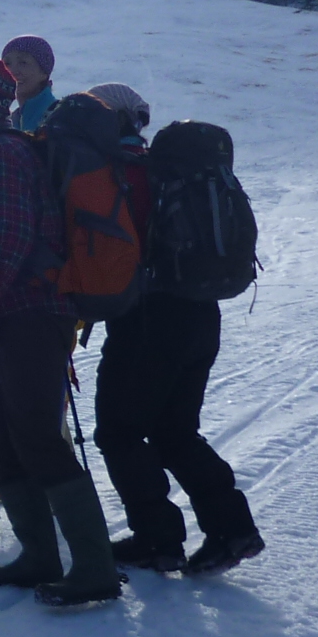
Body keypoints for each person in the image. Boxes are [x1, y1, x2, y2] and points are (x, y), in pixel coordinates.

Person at [0, 48, 121, 606]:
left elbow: (12, 234)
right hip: (11, 314)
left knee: (35, 435)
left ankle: (95, 567)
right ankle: (40, 554)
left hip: (33, 311)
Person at [86, 82, 265, 576]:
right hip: (200, 312)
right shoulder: (170, 172)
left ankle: (157, 539)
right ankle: (233, 529)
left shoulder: (124, 174)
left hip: (148, 319)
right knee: (174, 430)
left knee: (119, 432)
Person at [2, 35, 58, 135]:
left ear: (43, 73)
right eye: (7, 64)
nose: (12, 71)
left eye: (23, 63)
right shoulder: (10, 122)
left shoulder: (59, 116)